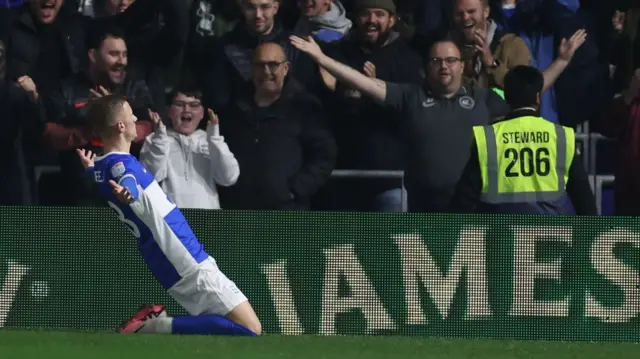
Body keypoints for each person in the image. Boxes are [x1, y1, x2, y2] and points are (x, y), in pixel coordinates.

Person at [75, 94, 262, 336]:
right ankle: (153, 326)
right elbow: (129, 183)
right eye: (130, 114)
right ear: (121, 126)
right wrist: (129, 194)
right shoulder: (123, 167)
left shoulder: (101, 167)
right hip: (183, 255)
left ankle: (155, 326)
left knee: (222, 327)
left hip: (166, 259)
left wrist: (90, 169)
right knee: (250, 329)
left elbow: (103, 177)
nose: (135, 118)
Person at [289, 35, 509, 212]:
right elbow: (361, 82)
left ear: (462, 66)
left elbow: (529, 93)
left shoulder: (484, 99)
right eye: (436, 60)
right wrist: (321, 58)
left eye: (451, 60)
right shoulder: (410, 96)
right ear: (426, 67)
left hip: (472, 210)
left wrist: (494, 65)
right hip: (422, 211)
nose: (444, 66)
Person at [451, 65, 597, 215]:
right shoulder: (561, 136)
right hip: (549, 233)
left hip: (501, 234)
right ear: (538, 98)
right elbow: (584, 199)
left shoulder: (489, 138)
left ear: (507, 97)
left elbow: (464, 198)